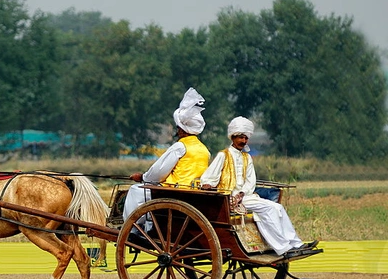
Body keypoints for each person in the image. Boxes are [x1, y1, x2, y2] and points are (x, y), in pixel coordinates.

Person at [200, 116, 317, 257]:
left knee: (278, 208)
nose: (243, 141)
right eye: (240, 138)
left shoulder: (247, 158)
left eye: (245, 138)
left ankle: (296, 244)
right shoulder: (222, 155)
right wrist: (214, 190)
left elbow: (251, 182)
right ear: (233, 137)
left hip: (245, 198)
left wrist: (241, 194)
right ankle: (284, 248)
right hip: (227, 200)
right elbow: (208, 178)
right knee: (268, 209)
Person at [122, 87, 211, 220]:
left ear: (181, 129)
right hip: (195, 193)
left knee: (136, 191)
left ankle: (134, 230)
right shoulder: (205, 150)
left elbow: (158, 172)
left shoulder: (180, 146)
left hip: (175, 192)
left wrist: (142, 177)